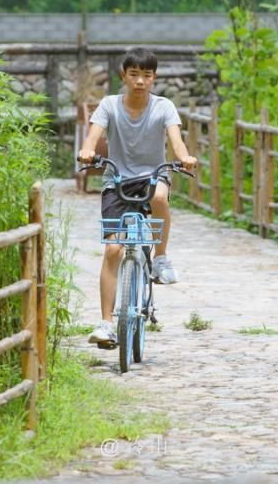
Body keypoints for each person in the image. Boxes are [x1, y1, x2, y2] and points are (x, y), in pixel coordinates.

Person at [77, 47, 197, 348]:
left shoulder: (164, 107)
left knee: (159, 197)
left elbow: (176, 142)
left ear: (154, 78)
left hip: (153, 174)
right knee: (114, 250)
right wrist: (87, 151)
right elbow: (93, 136)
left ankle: (161, 259)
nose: (140, 81)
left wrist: (184, 158)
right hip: (117, 178)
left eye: (146, 75)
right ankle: (106, 323)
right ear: (124, 76)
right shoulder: (108, 105)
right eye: (134, 74)